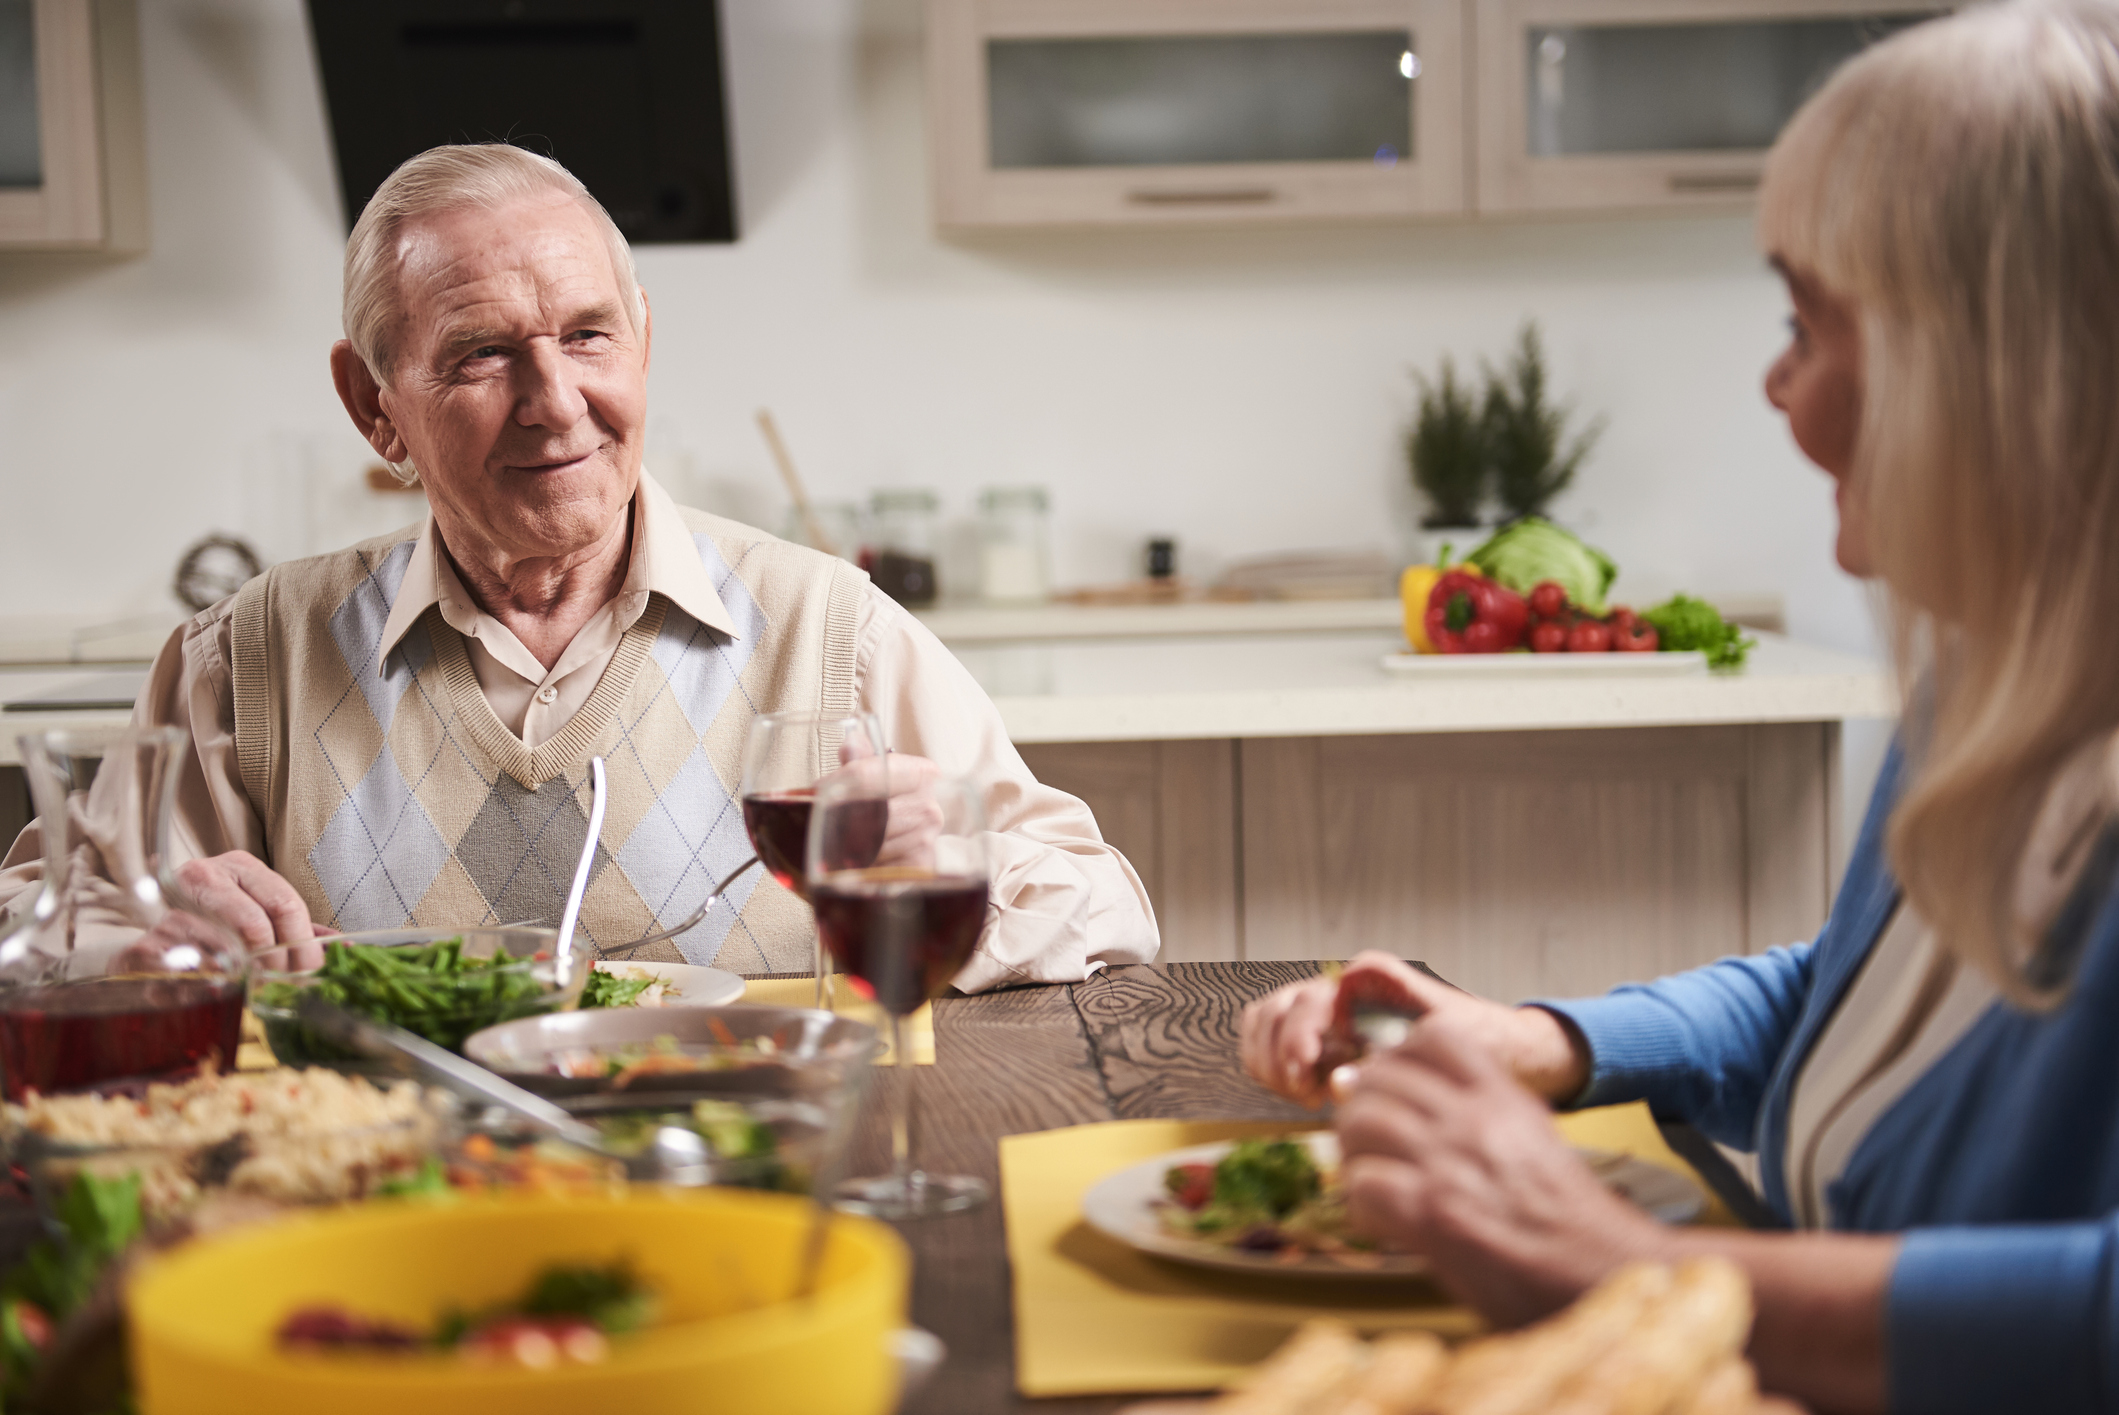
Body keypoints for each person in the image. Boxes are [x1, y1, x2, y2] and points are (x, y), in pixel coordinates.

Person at [1242, 4, 2119, 1411]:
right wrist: (1546, 1040)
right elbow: (1848, 992)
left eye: (1806, 322)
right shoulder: (1988, 687)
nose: (1775, 383)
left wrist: (1620, 1269)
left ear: (1991, 359)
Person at [0, 144, 1158, 991]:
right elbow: (29, 920)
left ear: (643, 342)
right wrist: (152, 932)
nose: (556, 404)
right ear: (373, 406)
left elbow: (1107, 902)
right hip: (381, 1207)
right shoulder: (245, 659)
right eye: (482, 353)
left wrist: (958, 871)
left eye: (588, 335)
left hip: (750, 1173)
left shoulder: (831, 631)